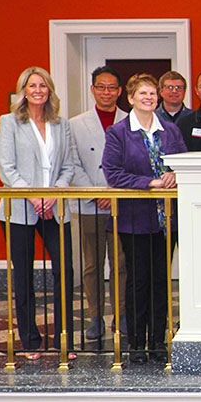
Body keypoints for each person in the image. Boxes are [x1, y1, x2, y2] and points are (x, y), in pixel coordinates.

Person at [102, 73, 187, 363]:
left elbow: (183, 163)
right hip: (135, 219)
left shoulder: (171, 130)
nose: (148, 98)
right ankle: (136, 344)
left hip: (167, 220)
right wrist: (150, 183)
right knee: (138, 281)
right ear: (130, 98)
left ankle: (158, 342)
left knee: (161, 281)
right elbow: (113, 173)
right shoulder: (118, 132)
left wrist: (174, 174)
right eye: (143, 94)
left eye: (152, 94)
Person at [0, 66, 80, 361]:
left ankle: (63, 339)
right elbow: (6, 167)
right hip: (20, 208)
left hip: (55, 207)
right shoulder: (8, 122)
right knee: (24, 276)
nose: (38, 91)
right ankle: (30, 340)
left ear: (50, 91)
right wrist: (32, 196)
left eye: (43, 86)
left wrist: (54, 192)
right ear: (23, 91)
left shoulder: (61, 124)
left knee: (64, 272)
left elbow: (69, 166)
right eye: (32, 86)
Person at [69, 65, 127, 341]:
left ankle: (121, 314)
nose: (106, 92)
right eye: (101, 87)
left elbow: (134, 163)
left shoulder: (130, 120)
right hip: (89, 204)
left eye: (112, 87)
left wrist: (113, 191)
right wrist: (96, 192)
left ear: (120, 91)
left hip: (121, 203)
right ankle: (94, 317)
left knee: (121, 264)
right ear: (92, 89)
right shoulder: (75, 124)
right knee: (92, 265)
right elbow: (72, 164)